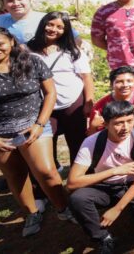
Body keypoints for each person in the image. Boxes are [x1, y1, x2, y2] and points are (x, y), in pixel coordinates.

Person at [0, 26, 74, 237]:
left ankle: (63, 208)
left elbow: (50, 93)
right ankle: (32, 213)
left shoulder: (31, 62)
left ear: (11, 42)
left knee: (46, 172)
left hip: (33, 125)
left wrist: (40, 124)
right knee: (16, 175)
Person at [67, 100, 134, 254]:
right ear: (105, 124)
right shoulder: (91, 142)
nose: (125, 127)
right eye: (118, 123)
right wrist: (114, 171)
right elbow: (72, 183)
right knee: (78, 199)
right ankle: (103, 237)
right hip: (105, 187)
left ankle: (128, 207)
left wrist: (118, 209)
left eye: (129, 121)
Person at [28, 11, 94, 164]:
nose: (53, 29)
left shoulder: (72, 51)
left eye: (59, 27)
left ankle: (79, 177)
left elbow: (86, 77)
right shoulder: (28, 50)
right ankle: (50, 177)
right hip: (43, 104)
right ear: (43, 24)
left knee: (77, 140)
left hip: (72, 101)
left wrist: (88, 102)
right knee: (46, 141)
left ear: (65, 31)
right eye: (50, 24)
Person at [0, 0, 79, 43]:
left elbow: (76, 40)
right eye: (10, 0)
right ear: (3, 4)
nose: (16, 4)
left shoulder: (48, 20)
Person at [88, 66, 134, 134]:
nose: (125, 85)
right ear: (111, 85)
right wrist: (93, 126)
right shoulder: (101, 106)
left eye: (129, 81)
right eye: (119, 82)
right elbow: (92, 136)